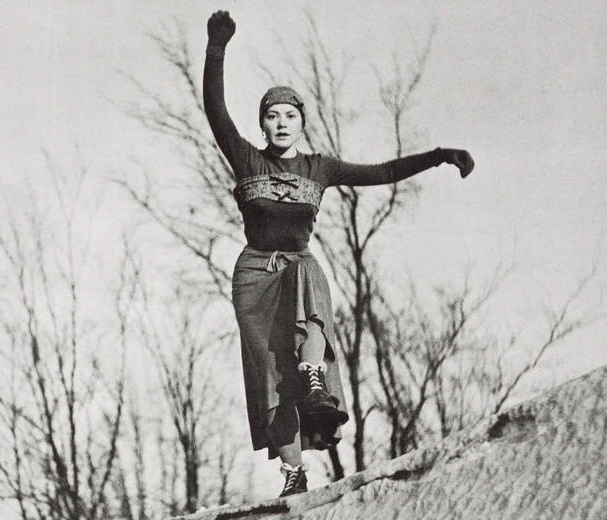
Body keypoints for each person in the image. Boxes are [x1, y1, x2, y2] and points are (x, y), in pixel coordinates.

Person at [202, 10, 474, 497]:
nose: (282, 123)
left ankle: (314, 378)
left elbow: (383, 172)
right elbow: (215, 110)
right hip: (254, 277)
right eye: (273, 115)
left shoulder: (319, 168)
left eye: (291, 115)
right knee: (269, 370)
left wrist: (437, 156)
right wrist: (217, 45)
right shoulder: (247, 159)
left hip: (297, 268)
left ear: (302, 123)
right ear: (262, 123)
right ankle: (293, 471)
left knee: (309, 270)